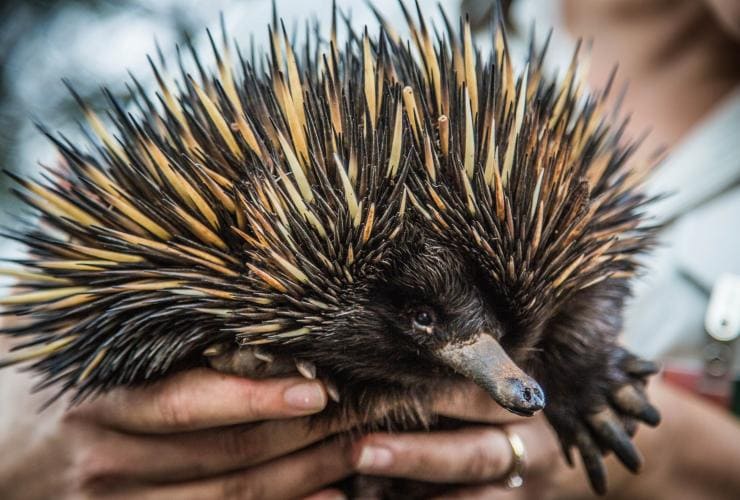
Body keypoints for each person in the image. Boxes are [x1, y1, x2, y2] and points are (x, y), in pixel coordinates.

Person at [2, 1, 740, 499]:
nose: (510, 377)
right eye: (427, 318)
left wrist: (606, 406)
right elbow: (63, 326)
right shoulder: (268, 28)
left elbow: (589, 276)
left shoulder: (551, 148)